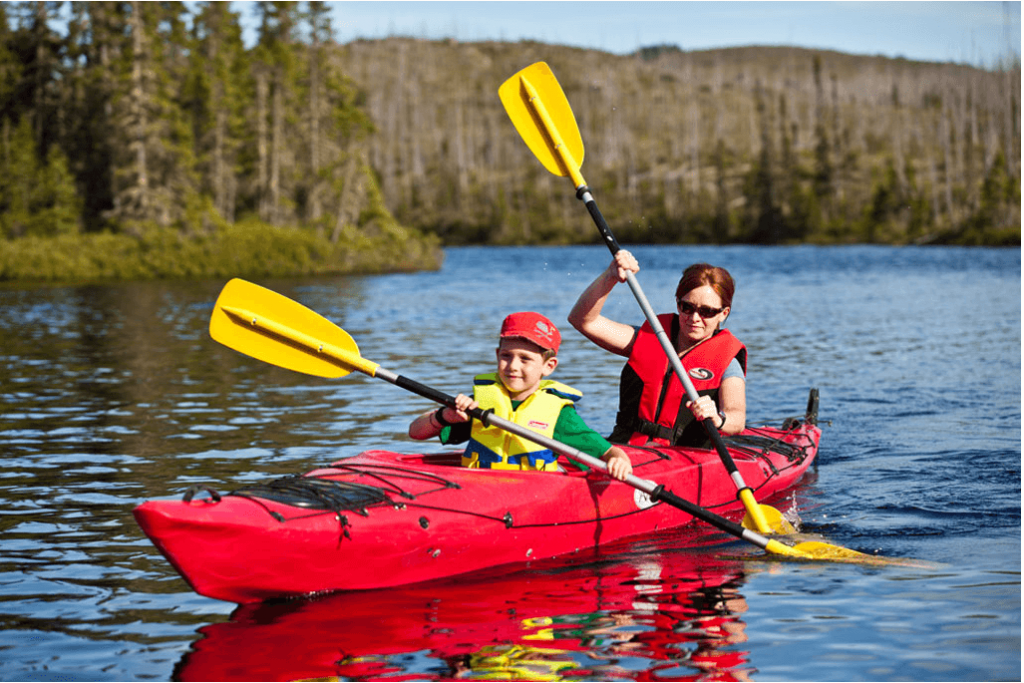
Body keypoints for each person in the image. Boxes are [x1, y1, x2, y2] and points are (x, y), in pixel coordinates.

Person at [409, 312, 633, 480]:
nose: (513, 366)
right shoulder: (480, 403)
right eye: (506, 356)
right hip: (479, 489)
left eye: (525, 359)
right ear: (497, 355)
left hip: (530, 494)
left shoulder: (559, 415)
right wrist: (445, 416)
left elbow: (608, 451)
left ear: (548, 366)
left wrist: (619, 462)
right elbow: (415, 433)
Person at [567, 251, 746, 448]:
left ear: (723, 314)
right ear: (677, 303)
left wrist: (718, 418)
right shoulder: (646, 339)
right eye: (687, 307)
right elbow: (582, 320)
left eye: (706, 312)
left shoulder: (728, 362)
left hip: (680, 457)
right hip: (624, 448)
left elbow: (737, 417)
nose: (694, 318)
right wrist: (610, 276)